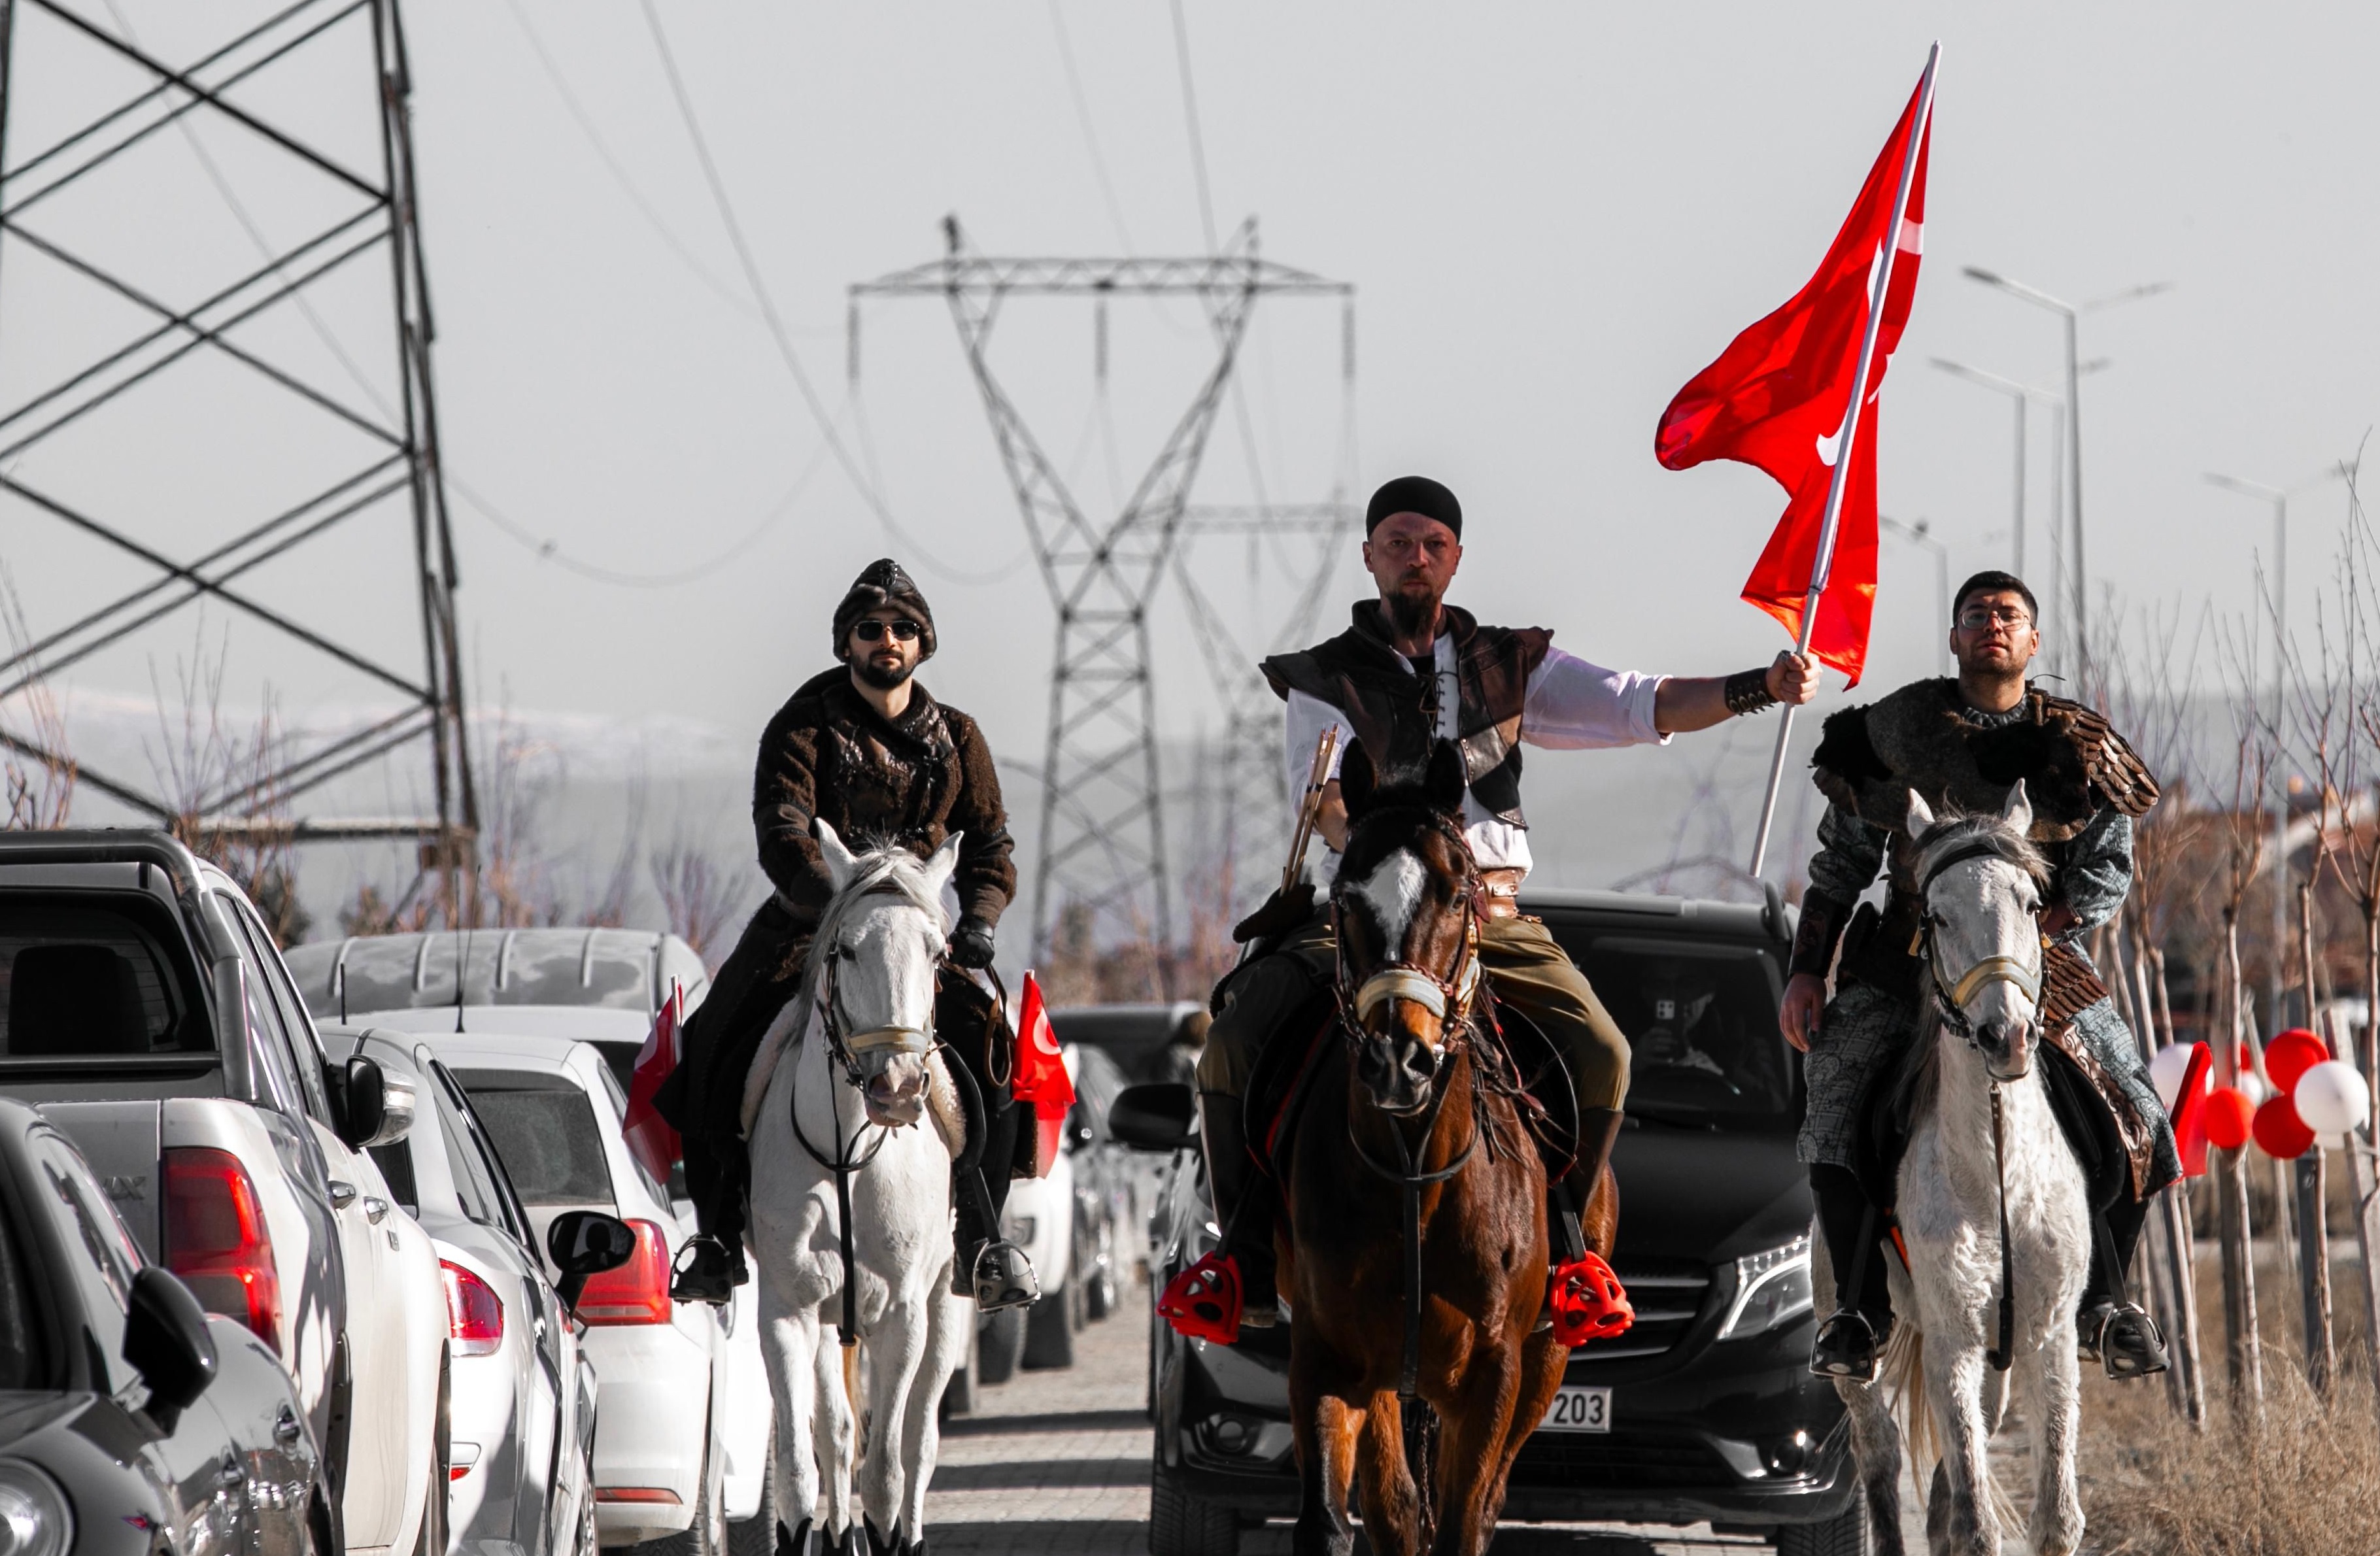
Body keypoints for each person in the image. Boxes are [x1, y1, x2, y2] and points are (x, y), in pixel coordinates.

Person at [1157, 475, 1819, 1340]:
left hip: (1489, 915)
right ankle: (1241, 1255)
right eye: (1396, 541)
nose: (1414, 557)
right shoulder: (1320, 677)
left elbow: (1637, 703)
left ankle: (1575, 1249)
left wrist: (1757, 685)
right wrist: (1375, 838)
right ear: (1368, 557)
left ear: (1456, 560)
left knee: (1605, 1052)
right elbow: (1316, 800)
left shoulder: (1510, 663)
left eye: (1432, 543)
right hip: (1366, 910)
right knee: (1235, 1041)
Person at [1780, 569, 2169, 1381]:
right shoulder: (1891, 729)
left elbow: (2103, 873)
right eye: (1975, 615)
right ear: (1954, 638)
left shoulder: (2081, 746)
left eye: (2008, 615)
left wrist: (2024, 937)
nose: (1992, 624)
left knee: (2137, 1110)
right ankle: (1858, 1310)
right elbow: (1839, 862)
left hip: (2039, 961)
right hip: (1901, 961)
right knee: (1833, 1098)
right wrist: (1806, 971)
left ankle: (2106, 1299)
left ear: (2032, 641)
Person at [657, 560, 1036, 1313]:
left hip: (921, 939)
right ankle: (718, 1236)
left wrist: (981, 923)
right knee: (712, 1046)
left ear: (923, 644)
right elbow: (782, 828)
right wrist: (836, 903)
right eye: (870, 629)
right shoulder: (801, 726)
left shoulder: (958, 736)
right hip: (810, 927)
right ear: (846, 643)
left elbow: (990, 846)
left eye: (901, 629)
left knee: (995, 1056)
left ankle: (983, 1241)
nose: (886, 640)